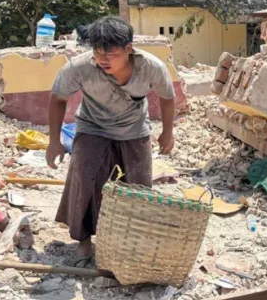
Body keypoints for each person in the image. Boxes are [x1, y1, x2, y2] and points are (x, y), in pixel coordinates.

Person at [46, 16, 176, 265]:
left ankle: (131, 243)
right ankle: (84, 239)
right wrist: (54, 141)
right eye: (97, 52)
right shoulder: (79, 67)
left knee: (139, 188)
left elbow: (168, 97)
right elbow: (58, 98)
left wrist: (167, 132)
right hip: (92, 127)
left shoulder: (151, 67)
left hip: (134, 129)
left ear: (128, 49)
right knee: (85, 178)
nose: (103, 59)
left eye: (111, 54)